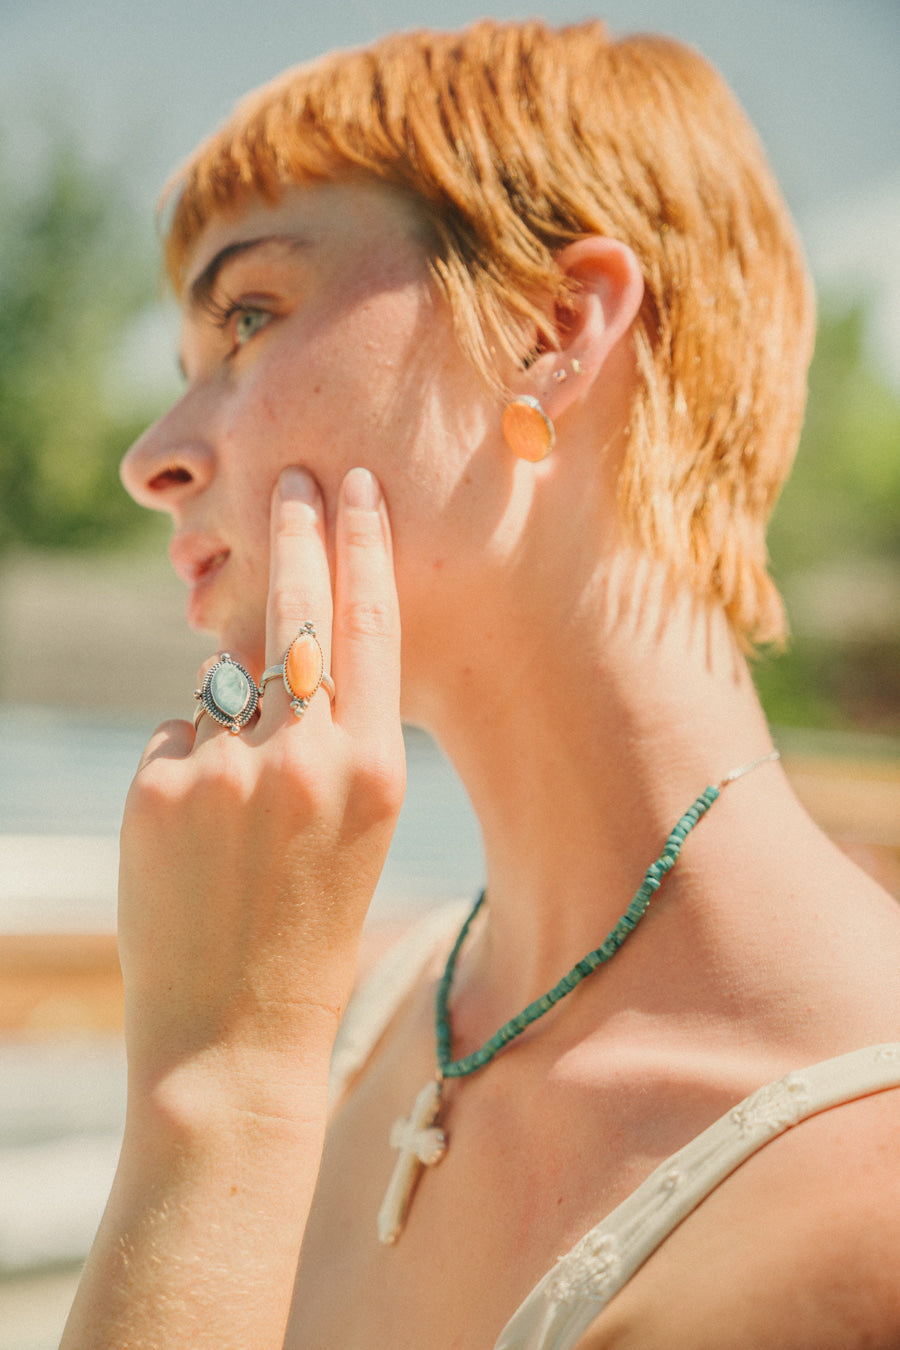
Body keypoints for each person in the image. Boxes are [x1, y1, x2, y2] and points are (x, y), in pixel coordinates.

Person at [61, 19, 900, 1350]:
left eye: (250, 316)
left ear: (554, 330)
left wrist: (221, 1089)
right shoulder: (366, 1007)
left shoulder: (863, 1196)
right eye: (181, 370)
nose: (152, 455)